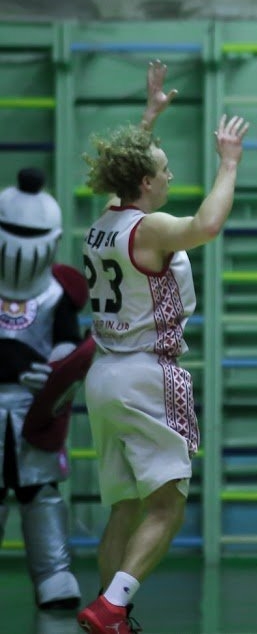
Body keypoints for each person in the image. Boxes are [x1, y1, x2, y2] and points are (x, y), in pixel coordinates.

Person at [76, 62, 249, 634]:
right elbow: (207, 224)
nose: (170, 175)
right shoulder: (148, 230)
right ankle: (111, 608)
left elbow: (126, 169)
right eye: (164, 169)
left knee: (125, 507)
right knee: (168, 505)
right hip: (146, 374)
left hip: (103, 375)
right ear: (146, 183)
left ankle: (111, 612)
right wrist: (228, 164)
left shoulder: (102, 222)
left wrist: (149, 118)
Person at [0, 168, 92, 611]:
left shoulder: (59, 293)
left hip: (37, 409)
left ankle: (54, 573)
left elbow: (67, 339)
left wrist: (59, 366)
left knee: (41, 492)